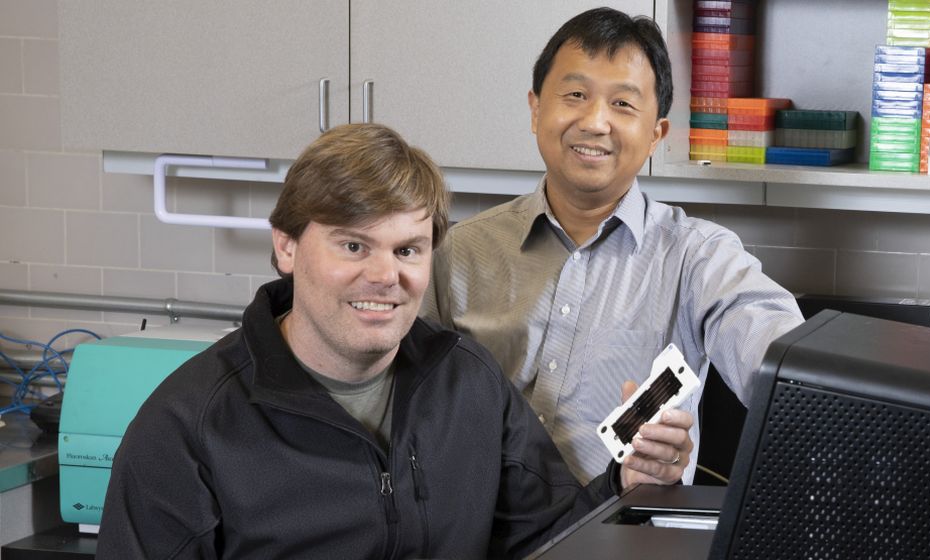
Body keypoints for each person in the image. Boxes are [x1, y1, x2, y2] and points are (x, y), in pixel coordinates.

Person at [96, 123, 692, 560]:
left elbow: (546, 540)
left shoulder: (467, 383)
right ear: (286, 247)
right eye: (353, 246)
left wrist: (625, 487)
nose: (386, 276)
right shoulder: (186, 429)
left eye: (408, 249)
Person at [423, 7, 804, 484]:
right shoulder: (458, 252)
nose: (595, 121)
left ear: (656, 136)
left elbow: (777, 351)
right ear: (536, 109)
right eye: (576, 95)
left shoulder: (698, 258)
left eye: (623, 104)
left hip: (626, 536)